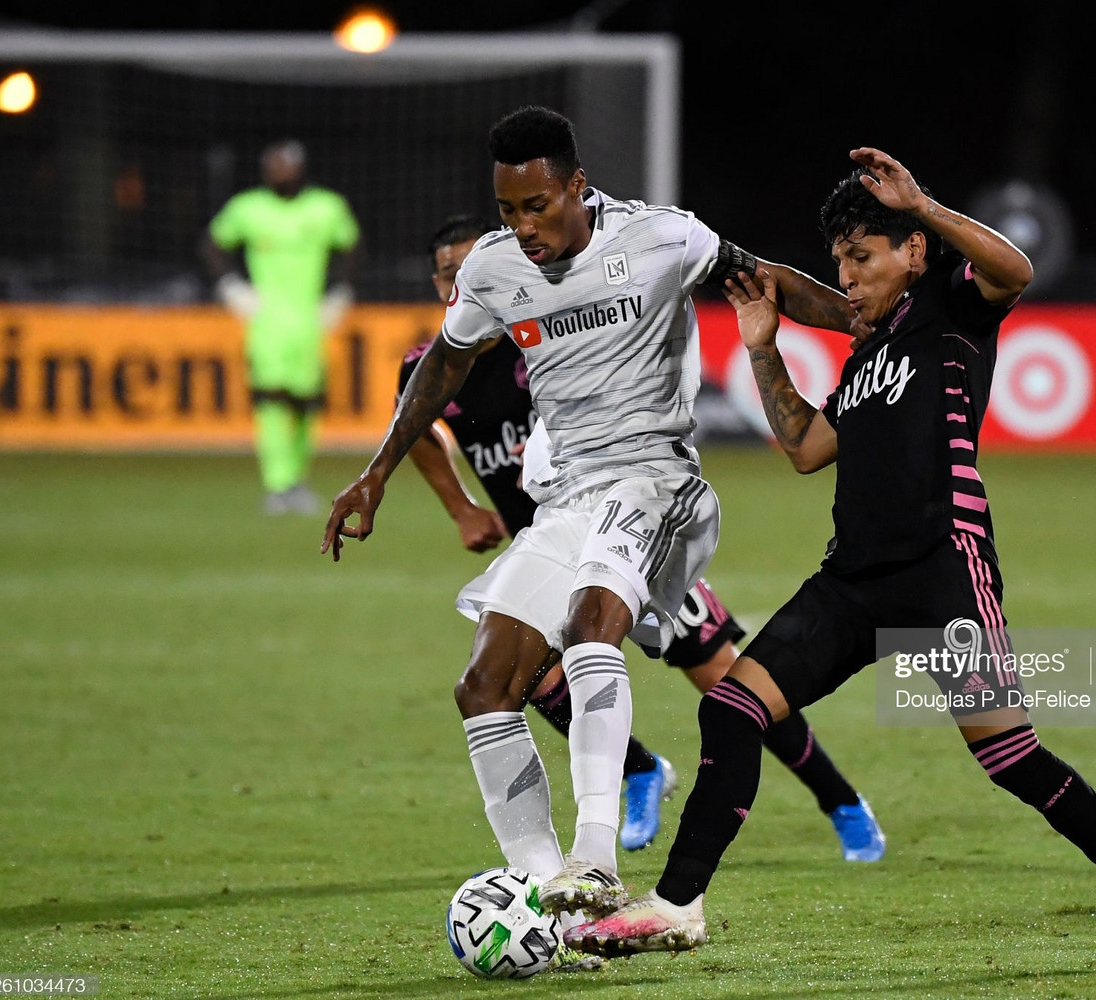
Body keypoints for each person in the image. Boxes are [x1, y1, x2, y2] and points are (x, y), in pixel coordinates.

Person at [566, 148, 1096, 968]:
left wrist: (925, 204)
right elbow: (803, 447)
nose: (848, 276)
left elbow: (1018, 268)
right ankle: (676, 907)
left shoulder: (953, 309)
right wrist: (764, 346)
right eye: (840, 261)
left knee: (1009, 758)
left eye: (862, 257)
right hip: (853, 581)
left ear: (914, 252)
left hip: (943, 569)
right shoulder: (867, 352)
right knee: (731, 707)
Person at [321, 106, 861, 923]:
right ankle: (550, 896)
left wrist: (868, 320)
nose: (522, 226)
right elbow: (443, 364)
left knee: (590, 621)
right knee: (483, 686)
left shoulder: (661, 239)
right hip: (569, 498)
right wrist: (376, 472)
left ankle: (595, 861)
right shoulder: (496, 269)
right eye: (508, 210)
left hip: (657, 483)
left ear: (576, 186)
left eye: (536, 206)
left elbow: (768, 279)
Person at [405, 212, 885, 859]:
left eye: (470, 269)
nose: (463, 284)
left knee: (721, 674)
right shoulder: (435, 364)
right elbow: (414, 429)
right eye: (448, 276)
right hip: (548, 547)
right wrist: (461, 507)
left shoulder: (540, 334)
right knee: (527, 676)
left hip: (629, 533)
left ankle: (841, 801)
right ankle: (637, 771)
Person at [202, 139, 362, 515]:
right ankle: (277, 482)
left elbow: (352, 248)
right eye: (273, 166)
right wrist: (230, 286)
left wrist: (339, 292)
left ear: (301, 168)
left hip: (311, 319)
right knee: (270, 398)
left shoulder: (326, 207)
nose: (280, 173)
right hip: (267, 320)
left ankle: (296, 479)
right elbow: (211, 245)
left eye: (286, 166)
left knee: (306, 402)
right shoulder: (248, 208)